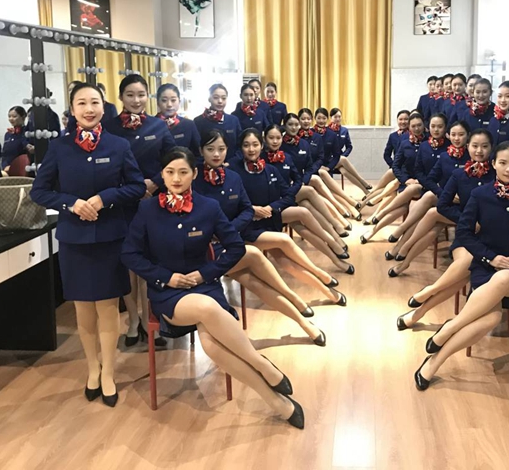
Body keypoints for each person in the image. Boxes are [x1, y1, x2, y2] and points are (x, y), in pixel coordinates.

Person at [122, 147, 305, 428]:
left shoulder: (208, 207)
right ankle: (263, 365)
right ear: (162, 175)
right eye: (170, 172)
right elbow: (130, 254)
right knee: (207, 309)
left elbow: (235, 247)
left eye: (183, 172)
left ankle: (278, 403)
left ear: (194, 174)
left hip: (205, 285)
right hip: (168, 293)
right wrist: (165, 277)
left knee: (212, 346)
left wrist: (204, 274)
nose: (176, 178)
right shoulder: (147, 209)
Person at [31, 83, 146, 407]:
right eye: (81, 103)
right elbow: (39, 191)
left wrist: (104, 198)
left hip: (110, 236)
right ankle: (92, 369)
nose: (89, 109)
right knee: (83, 308)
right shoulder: (59, 147)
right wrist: (71, 203)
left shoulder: (118, 145)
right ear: (72, 109)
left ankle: (108, 372)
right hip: (74, 239)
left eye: (95, 102)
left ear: (103, 106)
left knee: (108, 308)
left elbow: (136, 186)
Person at [413, 141, 509, 390]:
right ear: (493, 164)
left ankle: (450, 326)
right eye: (503, 163)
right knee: (490, 319)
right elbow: (464, 233)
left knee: (503, 278)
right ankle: (433, 362)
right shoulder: (480, 195)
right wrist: (490, 258)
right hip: (485, 266)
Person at [193, 129, 326, 344]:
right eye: (210, 149)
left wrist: (229, 231)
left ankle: (302, 320)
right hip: (205, 249)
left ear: (228, 150)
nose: (216, 154)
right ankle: (295, 301)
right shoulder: (194, 179)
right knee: (254, 254)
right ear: (201, 151)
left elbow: (246, 209)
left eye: (221, 149)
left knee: (253, 281)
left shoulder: (232, 177)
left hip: (229, 241)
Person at [233, 128, 347, 306]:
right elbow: (233, 203)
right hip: (248, 226)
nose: (251, 149)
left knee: (287, 262)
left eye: (255, 144)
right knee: (285, 240)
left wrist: (272, 207)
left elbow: (288, 195)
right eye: (246, 145)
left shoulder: (270, 169)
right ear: (240, 148)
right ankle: (321, 273)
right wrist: (252, 210)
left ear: (261, 146)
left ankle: (328, 291)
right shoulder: (234, 172)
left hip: (270, 220)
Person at [103, 75, 176, 347]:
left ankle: (148, 318)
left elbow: (173, 158)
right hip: (121, 202)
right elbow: (107, 166)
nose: (136, 100)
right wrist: (130, 188)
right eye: (130, 95)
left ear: (148, 96)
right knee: (126, 263)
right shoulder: (109, 127)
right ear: (121, 97)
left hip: (152, 200)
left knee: (148, 262)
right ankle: (133, 319)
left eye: (141, 94)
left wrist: (154, 182)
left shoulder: (158, 125)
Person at [396, 130, 495, 330]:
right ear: (468, 147)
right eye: (475, 146)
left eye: (485, 146)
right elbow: (443, 205)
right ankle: (423, 305)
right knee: (466, 263)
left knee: (465, 270)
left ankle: (423, 304)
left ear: (492, 149)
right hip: (467, 235)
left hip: (493, 240)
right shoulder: (459, 174)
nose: (479, 151)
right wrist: (467, 221)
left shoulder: (498, 174)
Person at [263, 124, 353, 274]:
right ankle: (333, 240)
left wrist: (290, 194)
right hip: (270, 208)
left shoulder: (285, 157)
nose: (275, 141)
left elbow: (297, 179)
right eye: (271, 138)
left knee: (304, 210)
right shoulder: (260, 161)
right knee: (304, 207)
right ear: (265, 139)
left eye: (278, 138)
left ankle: (336, 257)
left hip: (285, 201)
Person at [361, 112, 441, 242]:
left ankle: (382, 222)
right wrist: (406, 180)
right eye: (413, 126)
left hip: (426, 184)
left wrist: (421, 180)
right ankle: (374, 230)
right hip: (408, 182)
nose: (417, 128)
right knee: (402, 207)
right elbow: (396, 166)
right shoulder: (405, 143)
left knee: (407, 208)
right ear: (409, 127)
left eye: (419, 125)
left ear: (424, 125)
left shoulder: (430, 143)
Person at [297, 107, 354, 222]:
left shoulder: (318, 136)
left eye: (308, 119)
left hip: (319, 168)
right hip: (306, 174)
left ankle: (346, 208)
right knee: (324, 191)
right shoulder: (296, 137)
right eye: (303, 119)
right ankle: (345, 208)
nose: (306, 121)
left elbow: (323, 156)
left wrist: (328, 167)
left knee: (327, 185)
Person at [314, 107, 362, 219]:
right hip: (313, 169)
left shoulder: (331, 134)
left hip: (326, 167)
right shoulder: (310, 133)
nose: (321, 121)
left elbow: (336, 155)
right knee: (328, 191)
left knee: (329, 190)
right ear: (314, 118)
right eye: (319, 118)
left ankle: (349, 208)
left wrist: (328, 167)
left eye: (323, 118)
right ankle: (350, 206)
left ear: (327, 119)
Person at [364, 110, 410, 207]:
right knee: (382, 188)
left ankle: (366, 201)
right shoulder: (393, 136)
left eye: (406, 119)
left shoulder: (413, 137)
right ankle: (366, 200)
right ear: (397, 120)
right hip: (395, 168)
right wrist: (394, 166)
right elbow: (386, 154)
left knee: (387, 190)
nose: (403, 121)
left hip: (406, 170)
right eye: (400, 119)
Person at [328, 107, 373, 193]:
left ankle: (365, 191)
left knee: (344, 171)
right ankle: (362, 180)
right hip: (328, 160)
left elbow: (349, 146)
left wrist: (342, 156)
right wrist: (341, 158)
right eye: (335, 117)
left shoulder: (344, 130)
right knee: (343, 160)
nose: (338, 119)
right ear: (331, 118)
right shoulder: (327, 130)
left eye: (339, 116)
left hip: (339, 159)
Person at [194, 84, 242, 160]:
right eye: (216, 97)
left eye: (223, 98)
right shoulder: (199, 121)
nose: (220, 101)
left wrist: (232, 162)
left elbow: (240, 145)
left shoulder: (233, 120)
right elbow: (196, 148)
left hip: (231, 164)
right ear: (209, 98)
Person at [156, 83, 201, 159]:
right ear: (158, 103)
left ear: (179, 101)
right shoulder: (151, 125)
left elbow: (198, 154)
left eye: (173, 100)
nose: (169, 104)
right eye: (164, 100)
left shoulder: (189, 125)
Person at [1, 106, 29, 173]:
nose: (11, 119)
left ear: (23, 117)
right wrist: (5, 166)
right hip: (7, 169)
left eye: (14, 116)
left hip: (22, 169)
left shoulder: (27, 133)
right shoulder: (8, 134)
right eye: (9, 116)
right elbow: (5, 154)